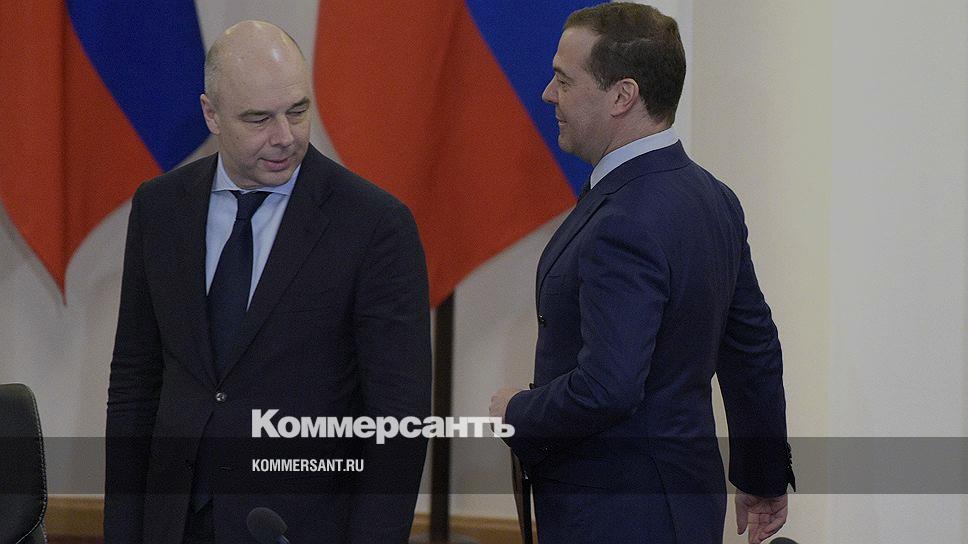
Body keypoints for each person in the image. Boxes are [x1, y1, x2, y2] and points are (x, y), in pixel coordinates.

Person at [104, 21, 431, 543]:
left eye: (297, 111)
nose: (285, 136)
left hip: (298, 528)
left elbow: (398, 420)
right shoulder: (159, 208)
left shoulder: (374, 225)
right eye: (259, 119)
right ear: (211, 114)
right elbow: (135, 385)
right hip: (176, 523)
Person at [489, 4, 794, 543]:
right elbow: (752, 347)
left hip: (615, 515)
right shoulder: (713, 197)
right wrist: (762, 475)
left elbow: (607, 388)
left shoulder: (623, 218)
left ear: (622, 96)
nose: (548, 94)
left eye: (565, 80)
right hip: (685, 506)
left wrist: (519, 411)